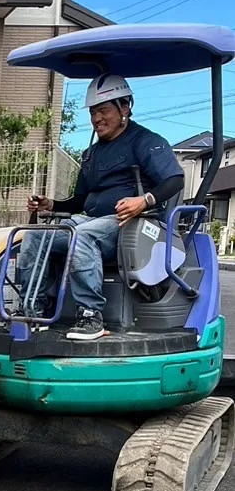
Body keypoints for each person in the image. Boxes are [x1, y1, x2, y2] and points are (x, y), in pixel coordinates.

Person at [17, 74, 185, 340]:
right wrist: (52, 204)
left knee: (81, 236)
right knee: (35, 237)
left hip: (134, 225)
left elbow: (175, 179)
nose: (97, 119)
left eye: (103, 110)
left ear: (125, 108)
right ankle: (32, 312)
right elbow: (81, 200)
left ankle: (90, 316)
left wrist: (143, 201)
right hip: (93, 221)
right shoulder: (92, 153)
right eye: (93, 112)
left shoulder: (145, 141)